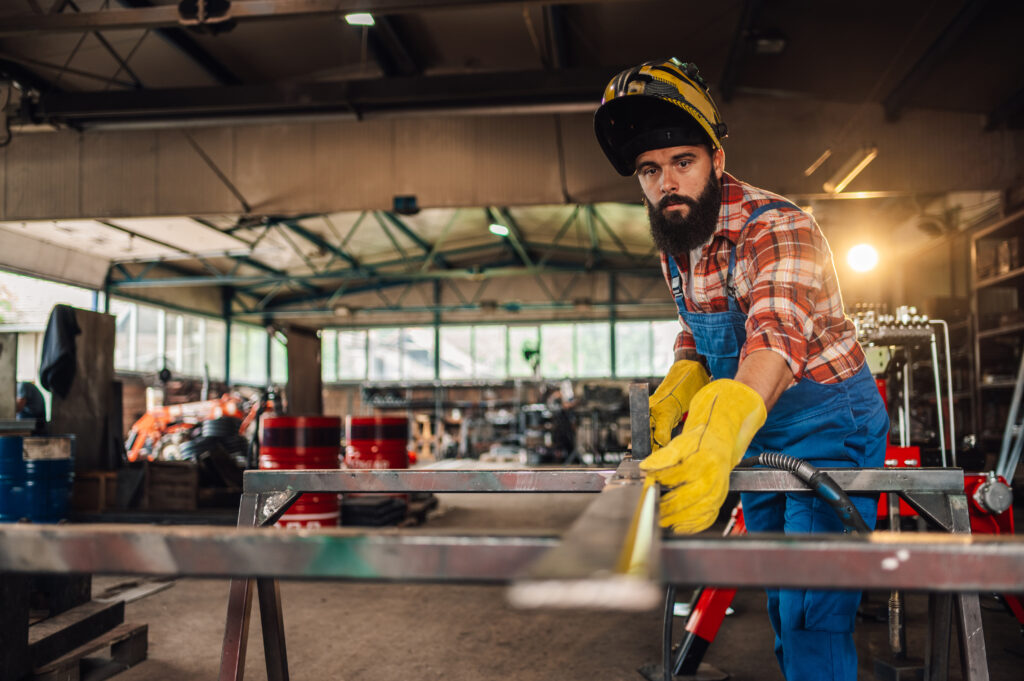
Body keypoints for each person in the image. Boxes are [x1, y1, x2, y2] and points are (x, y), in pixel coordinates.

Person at [594, 59, 888, 681]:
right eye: (650, 170)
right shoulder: (681, 239)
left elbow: (775, 339)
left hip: (827, 427)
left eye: (682, 162)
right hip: (759, 437)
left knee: (812, 609)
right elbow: (698, 326)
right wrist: (683, 376)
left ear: (716, 159)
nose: (667, 183)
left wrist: (724, 421)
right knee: (782, 600)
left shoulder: (777, 227)